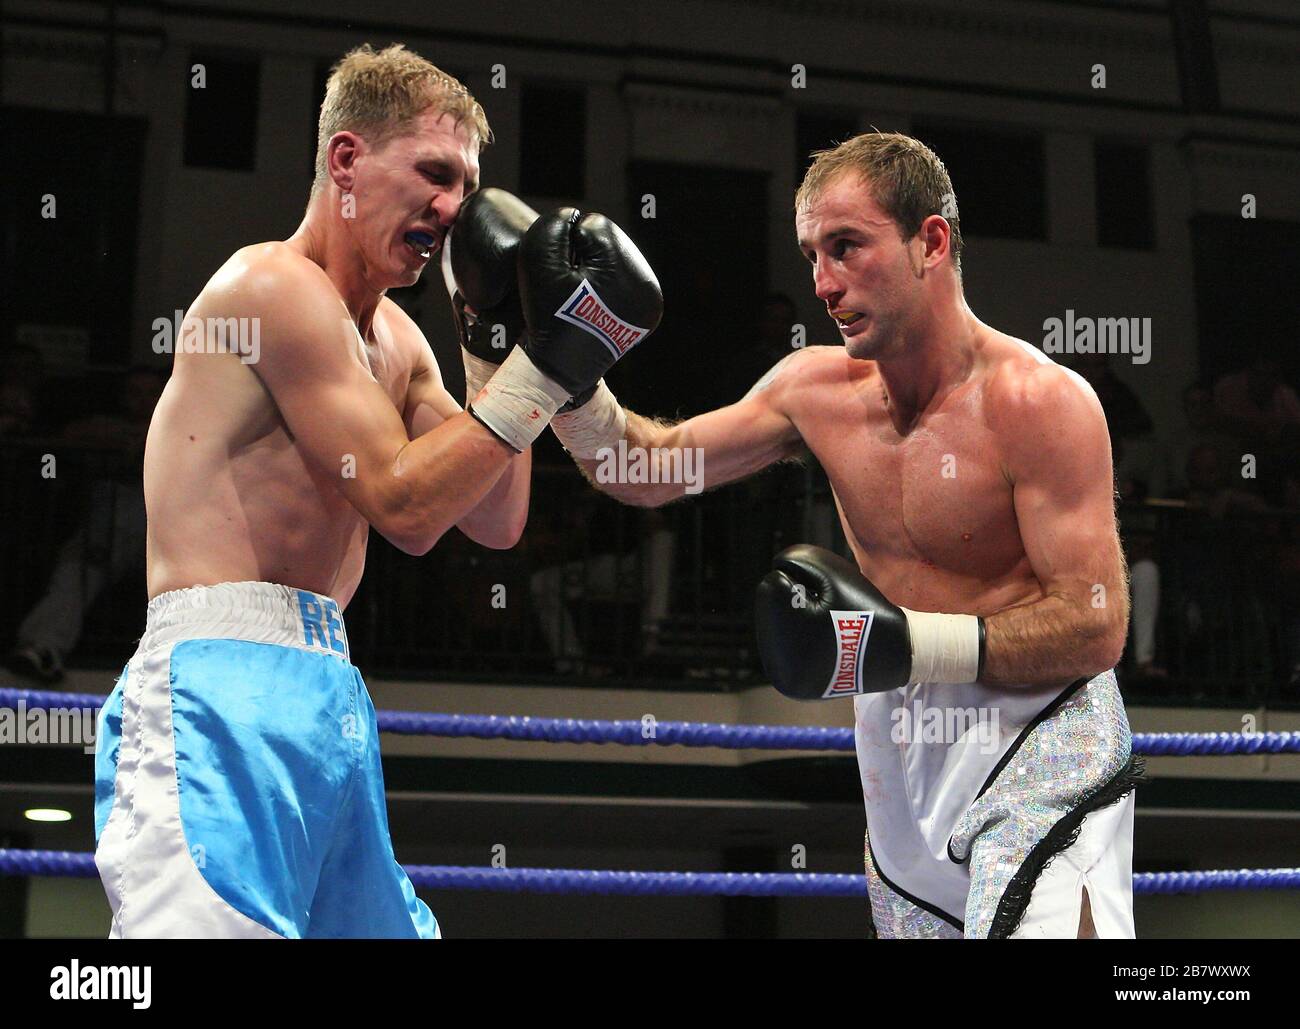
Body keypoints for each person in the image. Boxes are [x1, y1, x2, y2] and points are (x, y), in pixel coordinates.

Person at [93, 43, 661, 939]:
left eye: (466, 188)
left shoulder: (398, 342)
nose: (451, 208)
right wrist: (547, 365)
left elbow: (496, 515)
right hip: (216, 683)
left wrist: (493, 337)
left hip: (327, 686)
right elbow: (400, 504)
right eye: (434, 174)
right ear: (346, 159)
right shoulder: (270, 287)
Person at [548, 132, 1139, 938]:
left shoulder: (1039, 402)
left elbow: (1097, 624)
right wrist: (555, 369)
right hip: (900, 751)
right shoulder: (812, 392)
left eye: (847, 247)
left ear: (930, 240)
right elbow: (640, 468)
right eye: (813, 255)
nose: (823, 283)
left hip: (1041, 732)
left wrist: (908, 642)